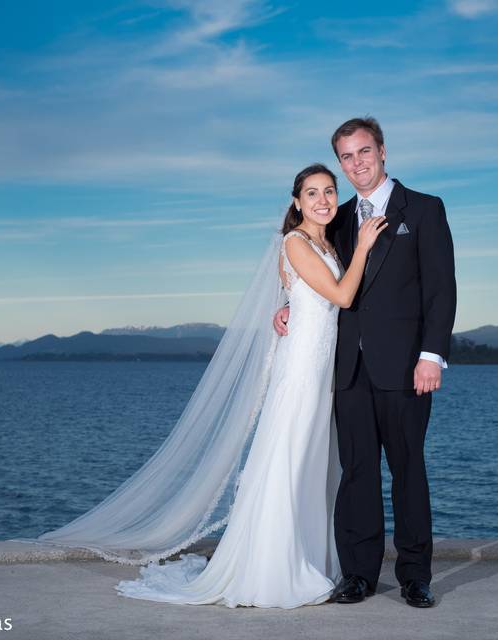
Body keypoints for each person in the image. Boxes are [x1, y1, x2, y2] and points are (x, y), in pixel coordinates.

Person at [20, 163, 386, 608]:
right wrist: (365, 246)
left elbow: (309, 297)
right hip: (302, 374)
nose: (324, 200)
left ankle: (310, 557)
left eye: (329, 191)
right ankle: (271, 569)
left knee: (313, 467)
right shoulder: (295, 242)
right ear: (296, 201)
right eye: (312, 194)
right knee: (286, 463)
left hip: (323, 371)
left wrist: (287, 304)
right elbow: (343, 296)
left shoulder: (326, 241)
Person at [274, 117, 457, 608]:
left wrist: (431, 355)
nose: (357, 163)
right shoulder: (337, 217)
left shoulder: (423, 209)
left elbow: (442, 290)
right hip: (346, 370)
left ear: (382, 152)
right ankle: (357, 574)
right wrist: (288, 303)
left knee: (408, 471)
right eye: (347, 157)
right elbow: (319, 277)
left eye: (364, 152)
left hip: (405, 368)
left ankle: (415, 576)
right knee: (356, 474)